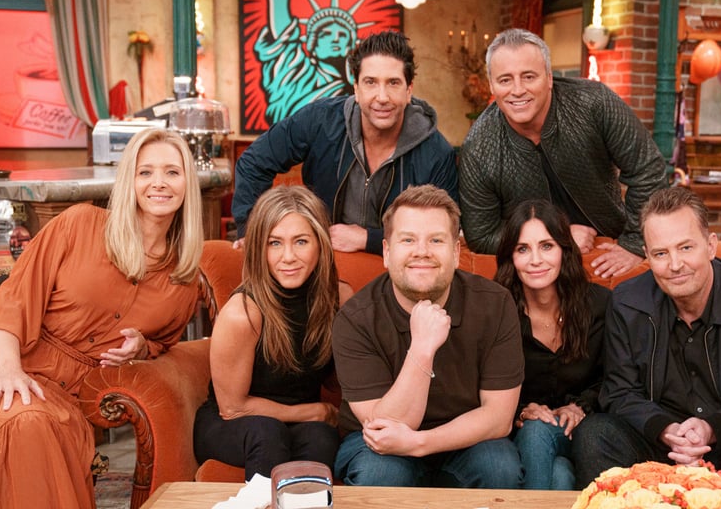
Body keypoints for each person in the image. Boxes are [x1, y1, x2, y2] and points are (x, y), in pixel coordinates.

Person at [0, 128, 204, 508]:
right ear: (129, 179)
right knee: (30, 426)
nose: (158, 183)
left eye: (172, 172)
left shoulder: (184, 276)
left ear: (187, 184)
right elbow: (13, 301)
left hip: (67, 400)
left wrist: (142, 347)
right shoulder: (78, 224)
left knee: (43, 428)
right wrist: (10, 370)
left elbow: (165, 341)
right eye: (145, 172)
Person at [571, 186, 721, 494]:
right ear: (647, 256)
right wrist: (665, 430)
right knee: (594, 433)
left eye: (686, 248)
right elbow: (619, 392)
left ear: (711, 246)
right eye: (661, 253)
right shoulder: (627, 301)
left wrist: (713, 428)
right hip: (659, 443)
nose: (674, 265)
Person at [332, 185, 524, 488]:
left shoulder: (495, 303)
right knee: (381, 474)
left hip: (467, 438)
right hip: (380, 444)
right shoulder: (355, 319)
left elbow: (498, 418)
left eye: (436, 240)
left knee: (498, 465)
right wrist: (422, 347)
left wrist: (420, 443)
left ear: (457, 253)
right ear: (386, 252)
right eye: (408, 239)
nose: (422, 251)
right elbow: (388, 428)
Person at [458, 28, 668, 278]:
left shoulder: (595, 103)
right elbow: (482, 234)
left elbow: (648, 170)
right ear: (492, 84)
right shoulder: (478, 146)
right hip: (533, 268)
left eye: (528, 77)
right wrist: (557, 238)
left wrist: (633, 244)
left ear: (549, 78)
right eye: (505, 80)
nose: (517, 90)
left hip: (607, 248)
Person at [233, 30, 459, 255]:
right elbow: (254, 162)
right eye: (370, 82)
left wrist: (367, 239)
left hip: (398, 270)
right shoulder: (321, 121)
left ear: (409, 90)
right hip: (323, 263)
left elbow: (444, 231)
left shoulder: (436, 153)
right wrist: (250, 230)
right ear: (356, 89)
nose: (382, 97)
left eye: (393, 83)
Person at [193, 185, 354, 479]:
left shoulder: (339, 299)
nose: (288, 256)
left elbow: (335, 382)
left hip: (298, 424)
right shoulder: (243, 312)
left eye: (301, 241)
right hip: (234, 424)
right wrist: (312, 412)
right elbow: (233, 408)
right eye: (274, 243)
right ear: (259, 249)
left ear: (320, 243)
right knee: (268, 433)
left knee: (322, 438)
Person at [494, 199, 610, 490]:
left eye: (547, 246)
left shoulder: (599, 304)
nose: (536, 260)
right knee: (556, 472)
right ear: (511, 257)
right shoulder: (497, 310)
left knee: (552, 456)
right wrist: (521, 410)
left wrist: (579, 406)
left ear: (564, 250)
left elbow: (616, 377)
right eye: (523, 249)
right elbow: (481, 383)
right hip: (520, 435)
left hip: (587, 432)